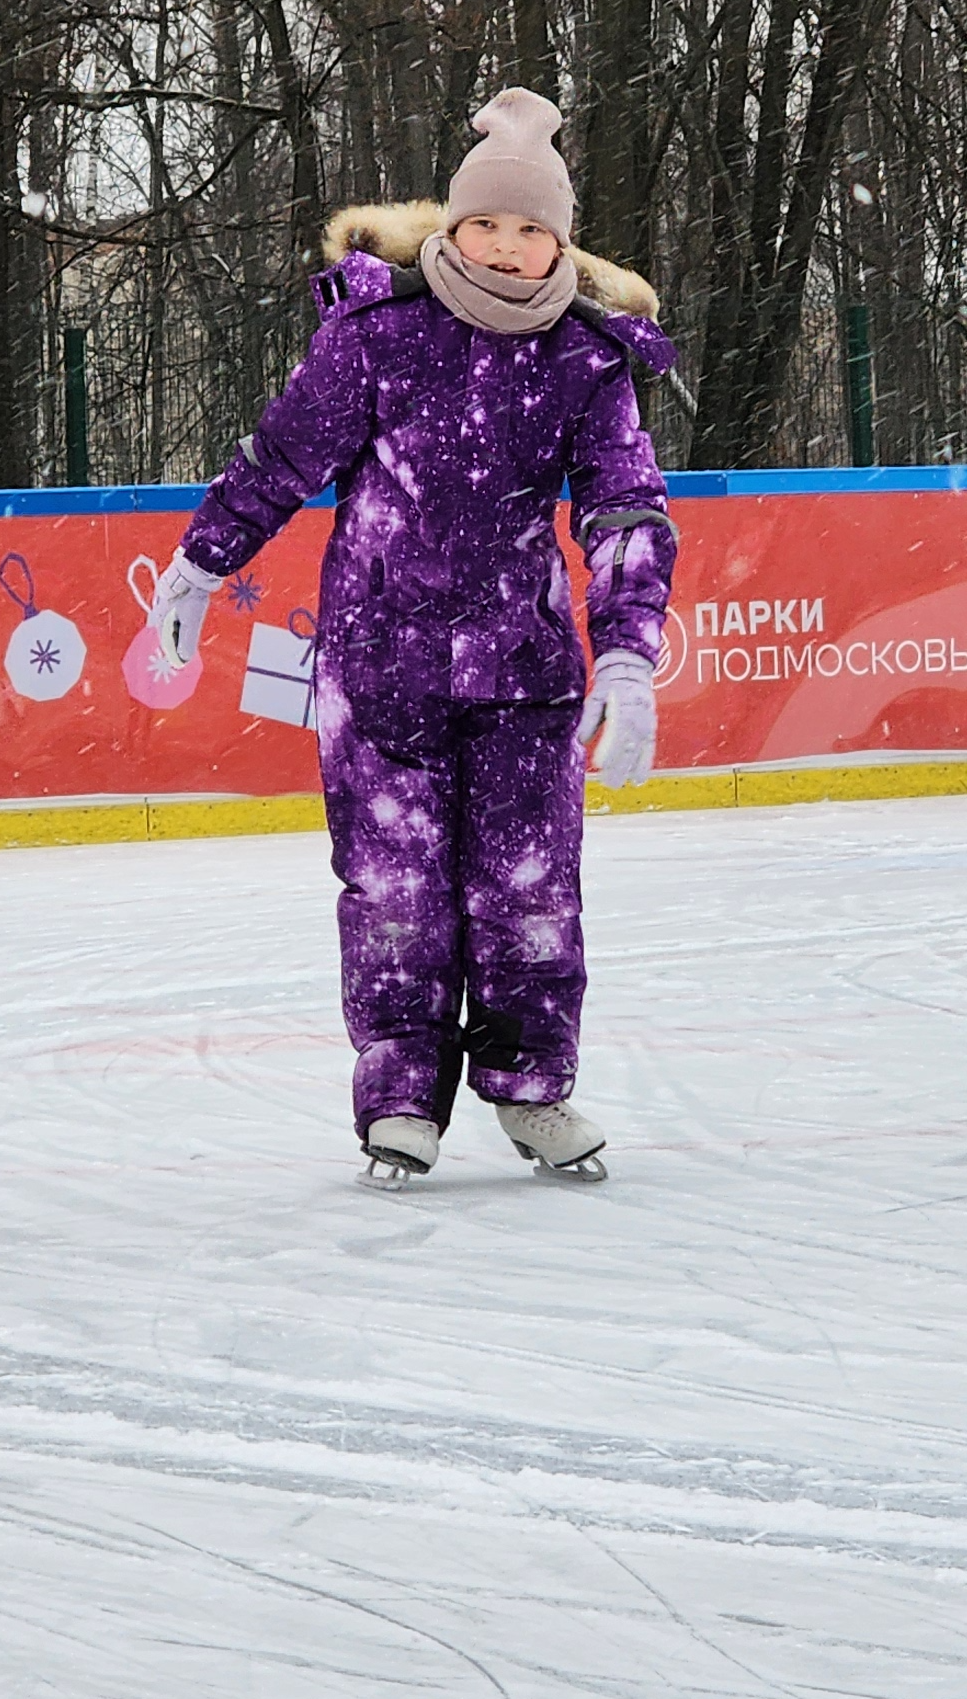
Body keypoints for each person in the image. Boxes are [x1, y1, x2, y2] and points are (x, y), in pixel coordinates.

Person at [152, 87, 678, 1187]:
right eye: (488, 220)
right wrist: (201, 566)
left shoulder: (584, 360)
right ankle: (399, 1095)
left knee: (530, 885)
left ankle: (532, 1089)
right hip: (379, 666)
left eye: (531, 227)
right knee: (392, 887)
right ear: (452, 222)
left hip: (524, 671)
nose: (506, 243)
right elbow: (278, 462)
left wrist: (626, 650)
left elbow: (625, 506)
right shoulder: (378, 334)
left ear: (559, 243)